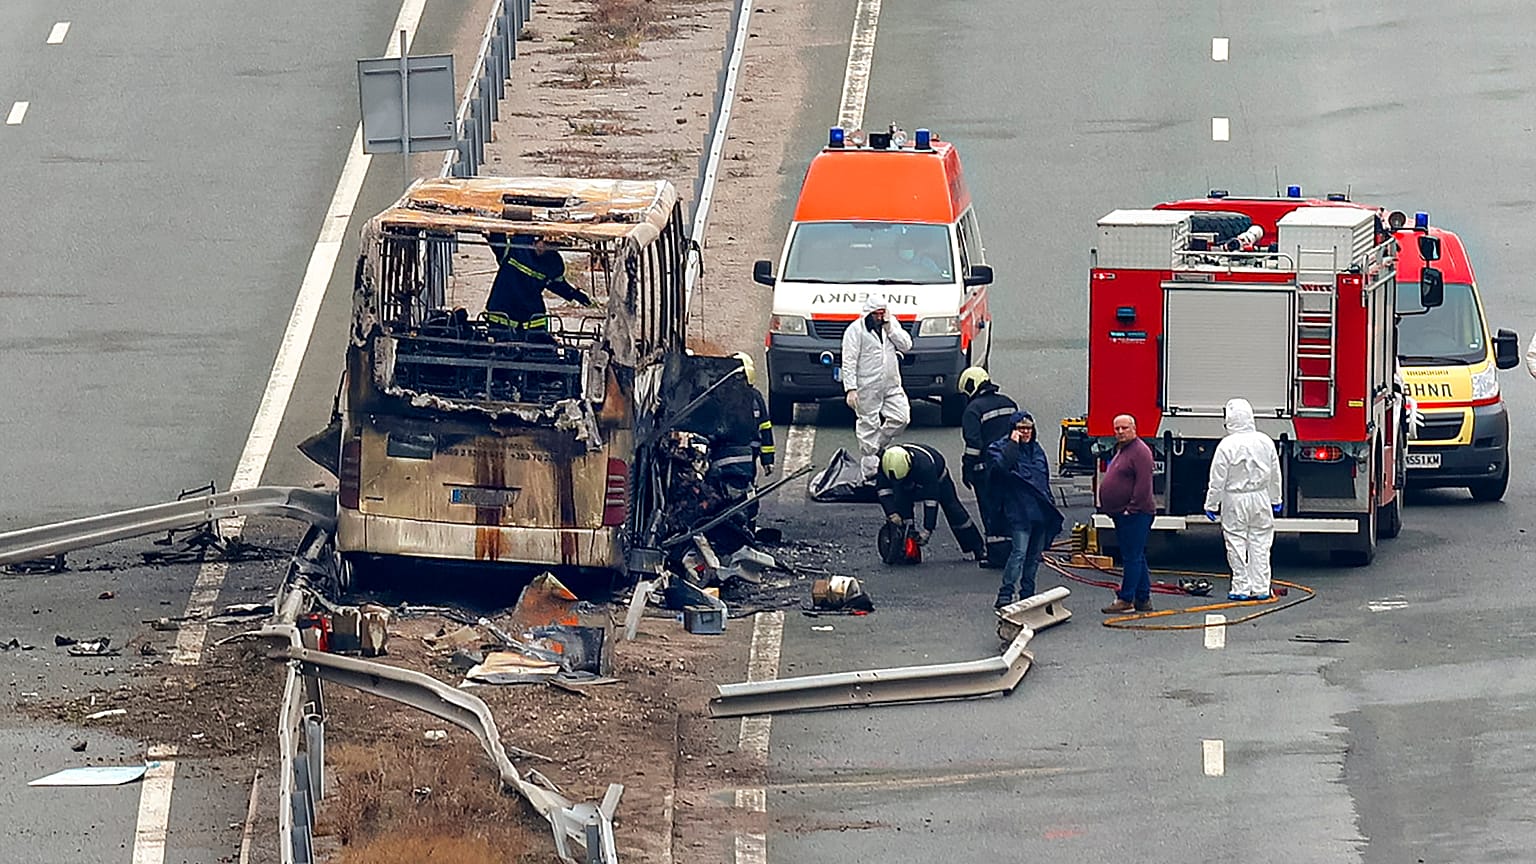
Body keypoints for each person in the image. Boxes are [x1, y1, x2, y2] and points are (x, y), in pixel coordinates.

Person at [1203, 397, 1283, 601]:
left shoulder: (1226, 445)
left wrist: (1212, 504)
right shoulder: (1265, 441)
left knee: (1236, 541)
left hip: (1235, 498)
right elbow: (1275, 473)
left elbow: (1217, 478)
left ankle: (1241, 586)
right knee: (1261, 542)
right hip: (1261, 496)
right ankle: (1261, 586)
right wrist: (1276, 499)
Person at [988, 411, 1065, 608]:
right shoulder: (999, 448)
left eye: (1028, 428)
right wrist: (1013, 444)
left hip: (1040, 511)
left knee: (1034, 556)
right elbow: (1002, 468)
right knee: (1019, 553)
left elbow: (1042, 478)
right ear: (1012, 430)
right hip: (1018, 511)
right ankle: (1005, 594)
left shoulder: (1036, 450)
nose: (1025, 432)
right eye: (1021, 429)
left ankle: (1028, 593)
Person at [841, 297, 911, 480]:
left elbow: (906, 345)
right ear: (869, 314)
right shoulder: (855, 331)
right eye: (877, 314)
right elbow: (849, 361)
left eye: (882, 313)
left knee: (901, 417)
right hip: (867, 387)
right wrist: (851, 388)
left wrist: (891, 329)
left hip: (891, 384)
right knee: (868, 425)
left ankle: (877, 446)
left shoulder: (890, 325)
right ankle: (869, 473)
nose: (880, 317)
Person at [875, 444, 985, 559]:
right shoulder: (886, 464)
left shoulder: (925, 466)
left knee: (953, 509)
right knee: (902, 509)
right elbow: (883, 491)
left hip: (938, 479)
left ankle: (977, 547)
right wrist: (892, 513)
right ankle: (909, 550)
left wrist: (928, 530)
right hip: (902, 481)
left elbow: (931, 501)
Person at [958, 366, 1018, 568]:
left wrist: (967, 469)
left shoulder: (973, 410)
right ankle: (1016, 550)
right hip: (1011, 466)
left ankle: (997, 555)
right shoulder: (1009, 403)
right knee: (1011, 507)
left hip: (986, 471)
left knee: (990, 511)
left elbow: (973, 445)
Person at [707, 352, 776, 527]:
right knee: (747, 494)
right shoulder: (755, 397)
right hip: (748, 458)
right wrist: (767, 460)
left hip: (723, 457)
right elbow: (765, 429)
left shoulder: (719, 397)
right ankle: (747, 529)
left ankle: (727, 527)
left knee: (723, 494)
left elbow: (711, 430)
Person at [485, 232, 595, 340]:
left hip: (530, 315)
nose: (547, 249)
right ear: (537, 239)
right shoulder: (516, 248)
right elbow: (497, 239)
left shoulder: (553, 263)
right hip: (502, 313)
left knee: (543, 350)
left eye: (553, 247)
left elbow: (556, 284)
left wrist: (574, 294)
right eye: (546, 244)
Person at [1097, 413, 1156, 614]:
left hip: (1136, 514)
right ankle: (1143, 598)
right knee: (1136, 556)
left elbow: (1143, 485)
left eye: (1124, 428)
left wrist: (1131, 509)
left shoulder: (1140, 452)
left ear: (1134, 428)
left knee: (1131, 557)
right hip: (1123, 514)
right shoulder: (1124, 450)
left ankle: (1126, 599)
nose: (1120, 432)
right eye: (1117, 429)